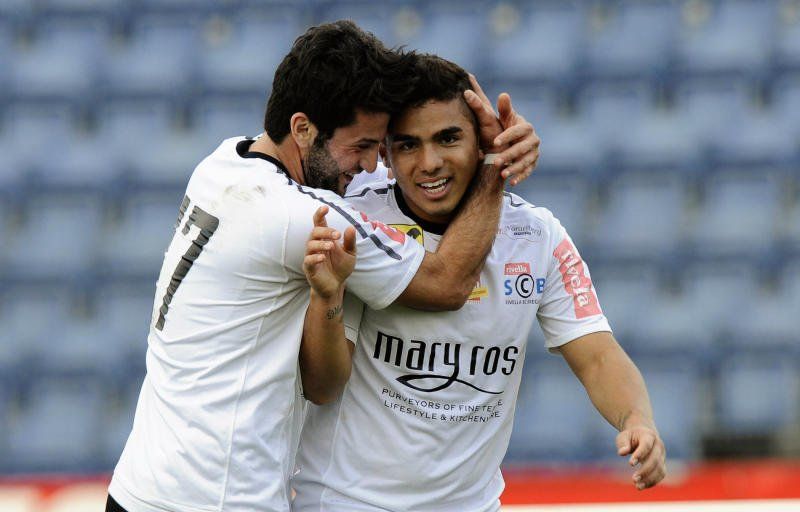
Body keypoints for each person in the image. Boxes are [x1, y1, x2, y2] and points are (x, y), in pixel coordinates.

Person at [106, 21, 540, 512]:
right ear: (302, 128)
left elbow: (325, 385)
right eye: (361, 146)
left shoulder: (223, 163)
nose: (372, 166)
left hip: (141, 487)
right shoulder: (300, 216)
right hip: (218, 498)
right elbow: (447, 283)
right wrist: (492, 163)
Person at [293, 55, 666, 512]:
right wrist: (327, 296)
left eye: (448, 138)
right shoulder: (357, 222)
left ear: (482, 143)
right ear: (385, 156)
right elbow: (322, 383)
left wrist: (637, 420)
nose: (430, 163)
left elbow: (598, 355)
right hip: (347, 503)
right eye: (408, 145)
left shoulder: (537, 236)